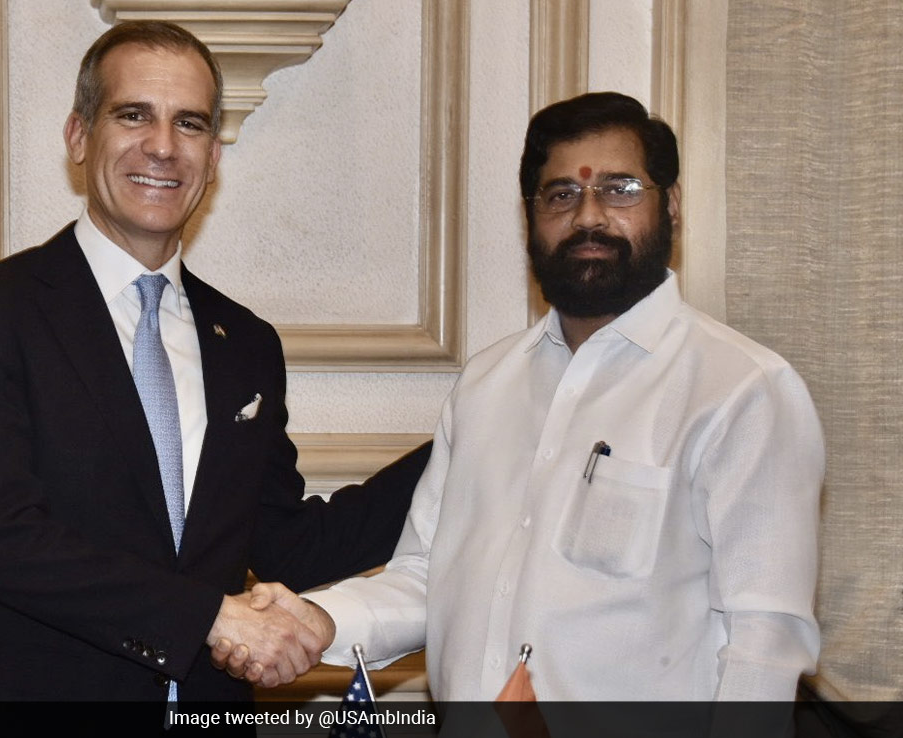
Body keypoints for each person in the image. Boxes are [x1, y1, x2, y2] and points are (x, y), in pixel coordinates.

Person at [217, 92, 824, 702]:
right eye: (562, 195)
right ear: (530, 217)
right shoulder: (488, 384)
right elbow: (429, 575)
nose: (589, 217)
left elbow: (764, 642)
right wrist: (321, 622)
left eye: (620, 190)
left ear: (671, 206)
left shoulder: (742, 390)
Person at [0, 20, 429, 705]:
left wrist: (464, 439)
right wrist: (210, 618)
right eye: (133, 115)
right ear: (79, 136)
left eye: (189, 124)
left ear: (213, 156)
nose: (162, 146)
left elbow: (286, 547)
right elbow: (3, 540)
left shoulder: (247, 343)